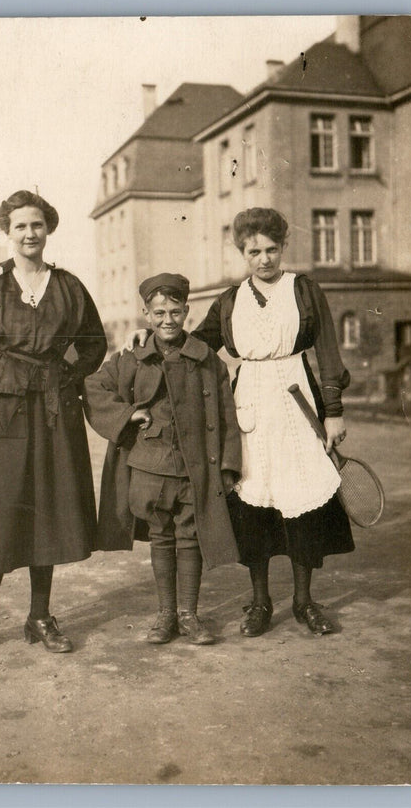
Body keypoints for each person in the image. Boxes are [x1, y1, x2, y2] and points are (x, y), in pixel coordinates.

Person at [126, 208, 354, 637]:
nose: (264, 259)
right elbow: (196, 345)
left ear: (283, 247)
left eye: (271, 249)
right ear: (242, 253)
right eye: (254, 252)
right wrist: (149, 338)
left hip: (297, 401)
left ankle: (304, 601)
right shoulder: (230, 300)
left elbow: (327, 352)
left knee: (302, 499)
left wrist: (334, 410)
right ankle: (260, 602)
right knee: (254, 505)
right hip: (249, 406)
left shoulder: (303, 290)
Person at [0, 190, 107, 655]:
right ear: (7, 231)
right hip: (0, 407)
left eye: (37, 225)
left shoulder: (68, 285)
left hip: (53, 408)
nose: (29, 233)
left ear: (48, 229)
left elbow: (95, 343)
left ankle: (39, 616)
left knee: (49, 506)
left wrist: (68, 374)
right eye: (20, 226)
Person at [84, 273, 241, 645]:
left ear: (187, 311)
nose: (167, 320)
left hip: (194, 468)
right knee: (161, 537)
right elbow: (93, 387)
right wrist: (128, 415)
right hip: (149, 467)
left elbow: (227, 414)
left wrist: (228, 465)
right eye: (158, 313)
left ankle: (189, 615)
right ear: (146, 314)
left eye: (174, 312)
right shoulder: (133, 357)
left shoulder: (207, 361)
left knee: (190, 538)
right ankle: (165, 616)